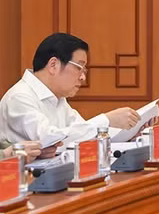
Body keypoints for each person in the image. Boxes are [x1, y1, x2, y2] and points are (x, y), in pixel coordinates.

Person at [0, 33, 142, 145]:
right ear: (53, 65)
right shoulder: (19, 97)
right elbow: (49, 139)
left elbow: (83, 135)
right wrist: (106, 120)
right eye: (79, 67)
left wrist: (129, 133)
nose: (82, 77)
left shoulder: (58, 99)